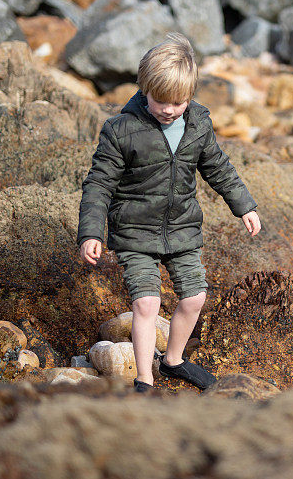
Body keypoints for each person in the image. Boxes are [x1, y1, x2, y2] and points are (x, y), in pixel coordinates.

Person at [77, 32, 261, 393]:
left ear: (190, 96)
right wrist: (91, 232)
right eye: (161, 100)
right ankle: (144, 379)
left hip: (182, 230)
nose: (169, 109)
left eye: (179, 102)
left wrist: (245, 206)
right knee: (146, 302)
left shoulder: (198, 124)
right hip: (134, 233)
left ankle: (173, 360)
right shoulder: (121, 130)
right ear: (144, 88)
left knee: (194, 298)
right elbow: (98, 184)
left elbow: (219, 168)